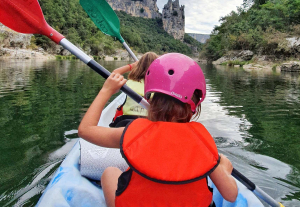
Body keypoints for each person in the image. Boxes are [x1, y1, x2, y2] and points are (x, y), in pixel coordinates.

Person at [78, 53, 238, 207]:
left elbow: (86, 130)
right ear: (195, 105)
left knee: (110, 172)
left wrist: (106, 90)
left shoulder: (133, 132)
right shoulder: (203, 142)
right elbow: (230, 195)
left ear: (150, 98)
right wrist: (224, 168)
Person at [110, 52, 158, 126]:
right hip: (148, 123)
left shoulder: (128, 83)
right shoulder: (160, 87)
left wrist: (131, 66)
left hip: (126, 122)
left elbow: (113, 74)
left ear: (138, 66)